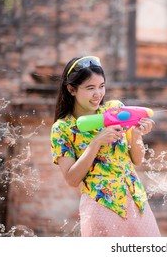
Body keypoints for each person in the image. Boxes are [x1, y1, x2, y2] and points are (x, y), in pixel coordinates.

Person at [50, 56, 161, 237]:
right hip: (100, 206)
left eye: (101, 86)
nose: (98, 94)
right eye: (90, 88)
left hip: (136, 201)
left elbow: (137, 160)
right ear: (71, 89)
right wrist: (96, 143)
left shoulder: (115, 110)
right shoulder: (62, 128)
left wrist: (136, 134)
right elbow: (71, 179)